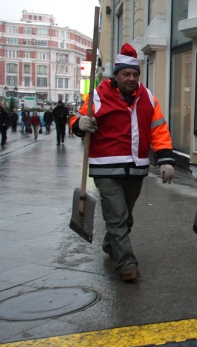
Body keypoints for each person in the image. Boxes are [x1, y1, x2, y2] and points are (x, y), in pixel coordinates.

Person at [70, 43, 176, 282]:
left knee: (126, 217)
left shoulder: (147, 97)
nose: (131, 78)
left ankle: (111, 244)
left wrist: (166, 160)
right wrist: (79, 124)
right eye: (126, 74)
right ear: (115, 75)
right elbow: (76, 119)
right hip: (106, 169)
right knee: (116, 216)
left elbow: (158, 129)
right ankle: (127, 263)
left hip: (136, 168)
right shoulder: (98, 95)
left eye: (135, 74)